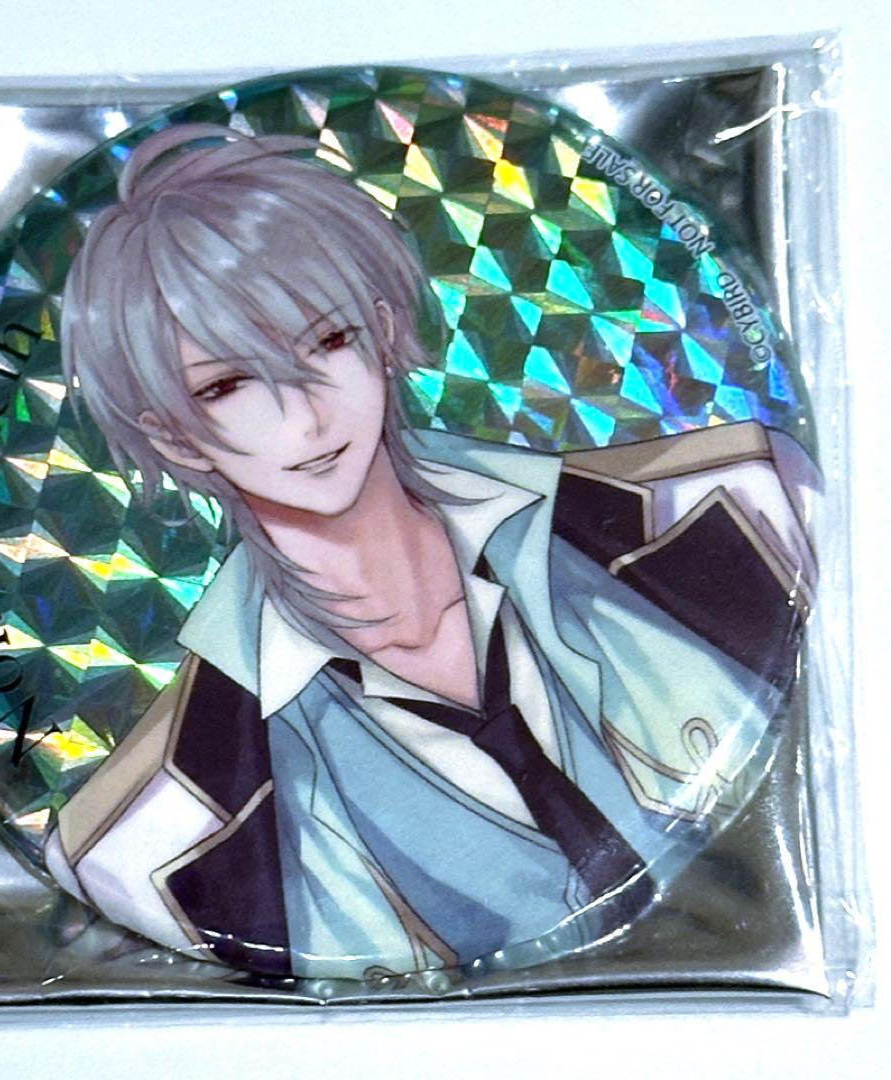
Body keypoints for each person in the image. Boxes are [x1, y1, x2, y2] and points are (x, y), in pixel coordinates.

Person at [43, 122, 818, 980]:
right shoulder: (149, 843)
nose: (305, 415)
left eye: (326, 342)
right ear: (172, 436)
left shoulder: (744, 508)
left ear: (382, 334)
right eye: (226, 386)